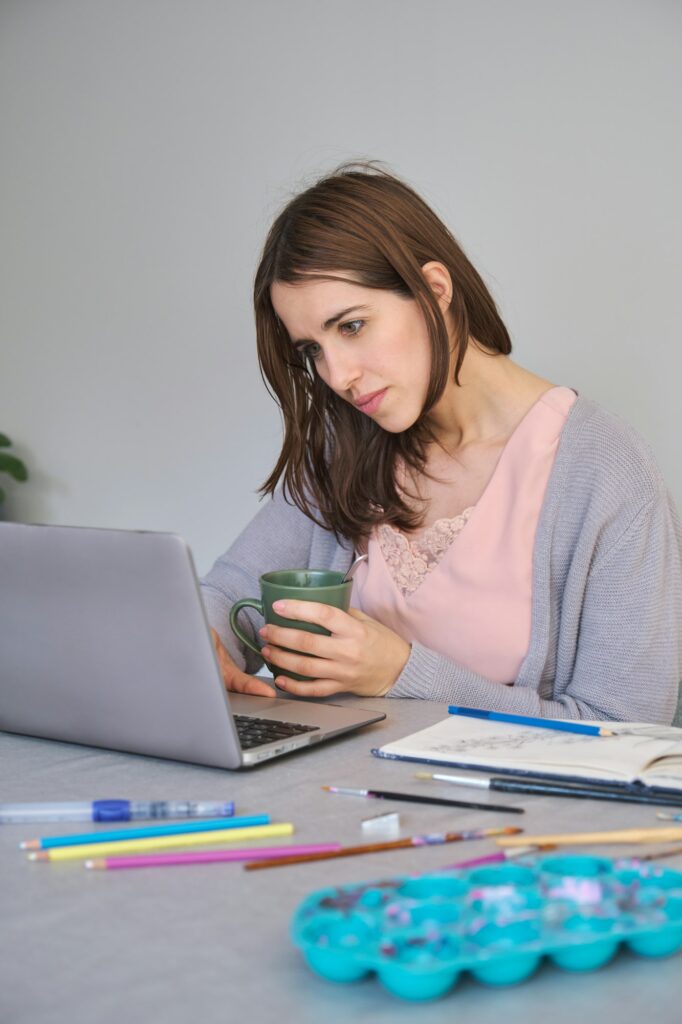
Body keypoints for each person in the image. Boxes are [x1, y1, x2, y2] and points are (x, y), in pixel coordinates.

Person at [200, 161, 682, 724]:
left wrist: (401, 671)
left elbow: (629, 730)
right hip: (340, 803)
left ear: (435, 289)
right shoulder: (346, 447)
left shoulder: (604, 471)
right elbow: (231, 591)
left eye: (352, 326)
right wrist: (203, 642)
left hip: (517, 813)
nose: (338, 376)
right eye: (312, 350)